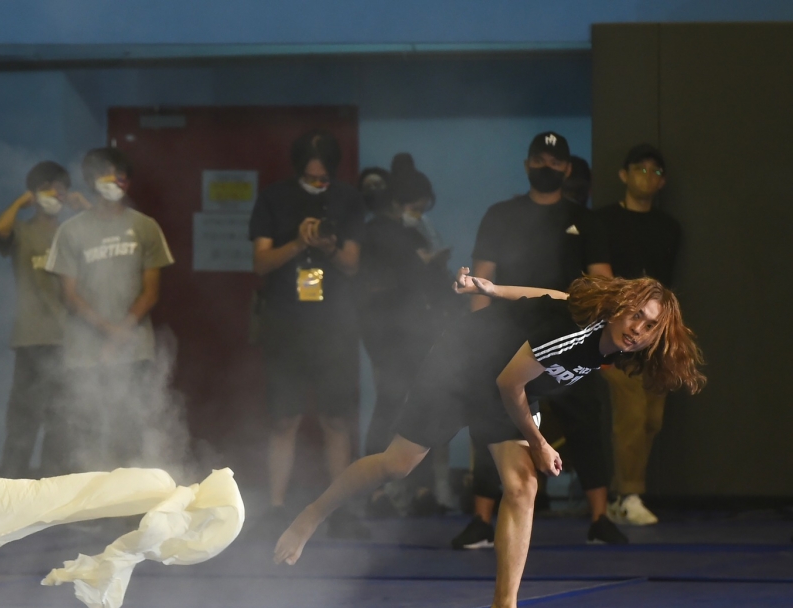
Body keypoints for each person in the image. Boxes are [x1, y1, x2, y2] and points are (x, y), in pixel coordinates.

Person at [275, 269, 705, 608]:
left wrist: (495, 289)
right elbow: (508, 384)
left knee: (523, 487)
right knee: (398, 462)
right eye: (635, 316)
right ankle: (311, 515)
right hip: (461, 370)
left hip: (509, 383)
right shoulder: (573, 336)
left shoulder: (601, 329)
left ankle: (504, 607)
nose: (637, 330)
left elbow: (553, 296)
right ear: (619, 308)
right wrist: (538, 440)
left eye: (649, 327)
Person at [458, 131, 624, 549]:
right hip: (506, 340)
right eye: (540, 159)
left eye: (555, 161)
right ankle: (481, 520)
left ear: (567, 169)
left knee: (587, 418)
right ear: (528, 163)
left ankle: (600, 517)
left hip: (571, 338)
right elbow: (482, 280)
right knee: (490, 422)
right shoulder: (501, 214)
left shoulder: (586, 221)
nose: (546, 166)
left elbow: (603, 284)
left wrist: (603, 341)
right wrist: (479, 340)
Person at [249, 130, 366, 536]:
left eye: (324, 177)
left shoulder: (348, 198)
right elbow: (261, 262)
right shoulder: (274, 198)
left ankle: (340, 508)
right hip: (285, 322)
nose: (319, 182)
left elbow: (352, 263)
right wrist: (299, 243)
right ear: (299, 170)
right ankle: (277, 506)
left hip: (335, 323)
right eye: (311, 176)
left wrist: (329, 246)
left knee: (337, 417)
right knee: (284, 418)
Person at [45, 147, 173, 470]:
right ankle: (90, 510)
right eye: (107, 174)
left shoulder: (145, 228)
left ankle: (127, 510)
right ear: (90, 180)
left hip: (133, 349)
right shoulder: (71, 231)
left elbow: (152, 291)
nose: (116, 181)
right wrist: (107, 330)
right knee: (86, 432)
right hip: (85, 351)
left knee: (130, 430)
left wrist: (121, 333)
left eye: (122, 175)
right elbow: (69, 295)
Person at [357, 154, 456, 515]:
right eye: (414, 205)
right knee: (389, 411)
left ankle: (419, 490)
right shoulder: (375, 234)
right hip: (390, 340)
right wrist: (420, 267)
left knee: (423, 412)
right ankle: (374, 493)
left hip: (420, 336)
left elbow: (432, 288)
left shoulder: (414, 232)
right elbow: (372, 292)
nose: (418, 211)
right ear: (397, 202)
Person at [596, 144, 682, 525]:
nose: (648, 176)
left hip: (655, 336)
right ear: (624, 174)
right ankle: (629, 494)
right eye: (641, 169)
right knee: (629, 413)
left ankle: (621, 494)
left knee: (652, 419)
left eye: (656, 171)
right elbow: (599, 277)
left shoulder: (669, 228)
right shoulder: (604, 221)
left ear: (662, 181)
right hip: (615, 335)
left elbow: (667, 287)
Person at [0, 160, 88, 477]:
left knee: (62, 421)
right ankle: (10, 492)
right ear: (34, 192)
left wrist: (83, 205)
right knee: (23, 420)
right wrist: (20, 202)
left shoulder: (73, 233)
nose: (54, 194)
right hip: (30, 339)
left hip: (69, 341)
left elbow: (98, 235)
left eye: (60, 188)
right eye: (46, 188)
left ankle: (52, 492)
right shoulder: (23, 231)